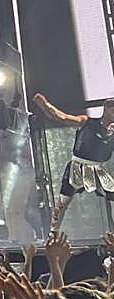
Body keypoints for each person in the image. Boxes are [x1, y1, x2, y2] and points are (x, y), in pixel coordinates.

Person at [32, 93, 114, 232]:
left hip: (97, 170)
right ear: (105, 110)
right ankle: (53, 233)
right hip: (78, 167)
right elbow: (62, 117)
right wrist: (45, 105)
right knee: (63, 202)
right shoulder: (87, 122)